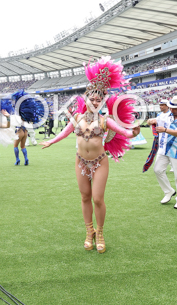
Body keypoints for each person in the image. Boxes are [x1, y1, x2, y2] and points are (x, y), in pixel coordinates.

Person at [41, 58, 138, 253]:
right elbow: (66, 132)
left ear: (102, 101)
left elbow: (124, 132)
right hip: (80, 162)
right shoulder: (77, 117)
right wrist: (51, 141)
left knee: (97, 198)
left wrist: (133, 132)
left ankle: (100, 232)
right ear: (86, 98)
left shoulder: (105, 120)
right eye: (92, 98)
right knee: (85, 197)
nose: (95, 101)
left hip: (100, 162)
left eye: (98, 99)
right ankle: (89, 232)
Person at [147, 95, 177, 209]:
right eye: (171, 107)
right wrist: (150, 121)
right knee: (157, 170)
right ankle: (169, 191)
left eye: (175, 108)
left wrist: (165, 130)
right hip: (164, 148)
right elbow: (154, 120)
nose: (172, 110)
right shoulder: (166, 115)